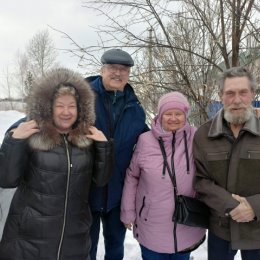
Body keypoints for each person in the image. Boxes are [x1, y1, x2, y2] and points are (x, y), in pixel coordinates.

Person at [0, 67, 113, 260]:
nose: (66, 112)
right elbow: (6, 179)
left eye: (72, 106)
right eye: (60, 105)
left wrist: (104, 147)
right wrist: (14, 141)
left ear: (81, 109)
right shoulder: (30, 133)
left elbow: (100, 180)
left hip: (74, 239)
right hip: (29, 240)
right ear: (48, 106)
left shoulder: (87, 138)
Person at [120, 92, 206, 260]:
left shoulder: (195, 137)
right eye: (168, 113)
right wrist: (128, 211)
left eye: (178, 114)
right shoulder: (145, 141)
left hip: (186, 221)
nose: (173, 118)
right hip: (151, 222)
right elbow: (132, 177)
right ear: (160, 116)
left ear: (185, 115)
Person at [87, 48, 148, 260]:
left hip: (117, 191)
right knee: (86, 248)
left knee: (115, 247)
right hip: (86, 190)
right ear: (102, 69)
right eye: (112, 68)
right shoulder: (82, 98)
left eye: (123, 69)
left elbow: (148, 141)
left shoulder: (134, 107)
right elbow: (58, 116)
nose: (118, 73)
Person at [193, 66, 260, 260]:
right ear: (221, 95)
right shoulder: (204, 135)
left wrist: (254, 207)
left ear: (252, 94)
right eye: (230, 93)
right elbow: (201, 180)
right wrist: (232, 206)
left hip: (257, 232)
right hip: (221, 229)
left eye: (243, 92)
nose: (237, 100)